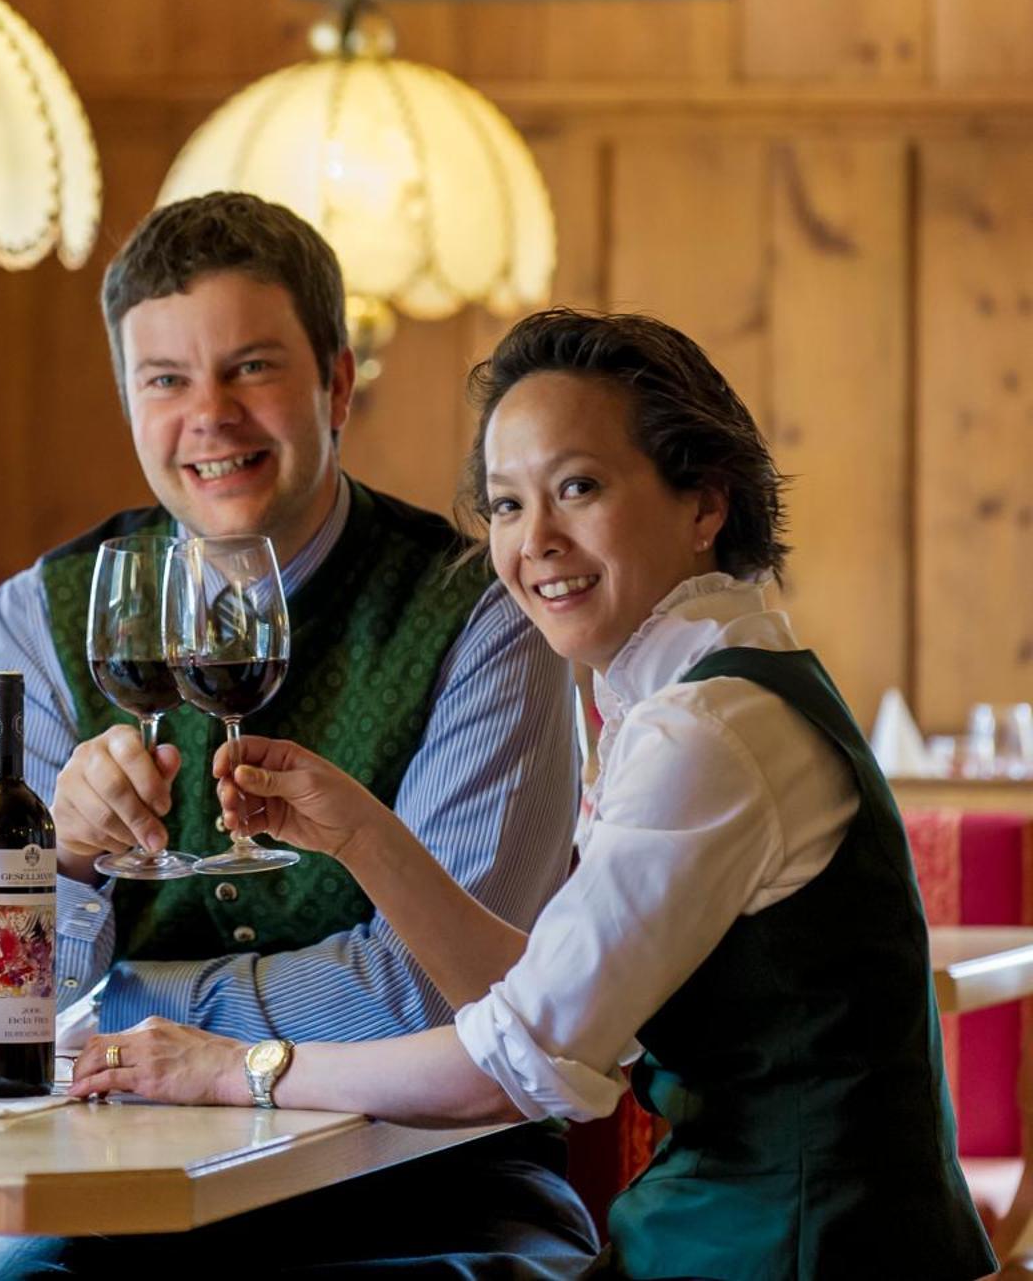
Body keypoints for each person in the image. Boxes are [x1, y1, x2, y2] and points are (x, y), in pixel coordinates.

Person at [71, 309, 997, 1280]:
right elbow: (551, 1000)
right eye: (506, 506)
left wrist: (233, 1069)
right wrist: (364, 839)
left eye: (577, 489)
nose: (534, 541)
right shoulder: (716, 689)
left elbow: (514, 1065)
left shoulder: (708, 730)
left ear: (702, 504)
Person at [0, 193, 595, 1272]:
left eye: (249, 368)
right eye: (164, 380)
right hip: (109, 1176)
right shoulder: (36, 617)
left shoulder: (480, 616)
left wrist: (152, 1013)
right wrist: (59, 859)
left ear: (335, 384)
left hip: (424, 1180)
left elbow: (430, 992)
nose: (206, 415)